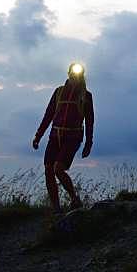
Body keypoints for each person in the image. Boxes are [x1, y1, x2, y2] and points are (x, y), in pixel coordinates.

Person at [32, 62, 94, 213]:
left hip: (72, 137)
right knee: (48, 169)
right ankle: (56, 208)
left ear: (82, 75)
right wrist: (38, 136)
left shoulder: (86, 96)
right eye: (72, 72)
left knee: (58, 169)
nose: (75, 75)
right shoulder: (58, 92)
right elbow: (48, 115)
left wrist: (88, 143)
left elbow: (90, 121)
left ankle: (74, 199)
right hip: (55, 135)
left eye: (78, 73)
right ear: (68, 73)